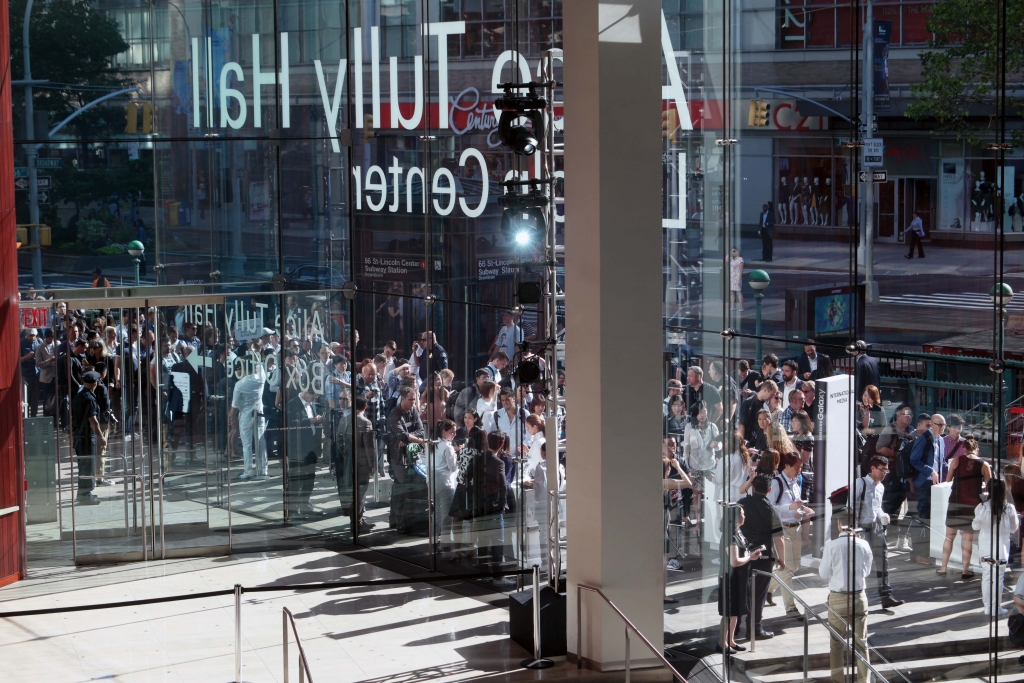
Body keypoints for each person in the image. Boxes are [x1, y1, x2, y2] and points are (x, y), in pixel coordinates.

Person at [819, 526, 873, 683]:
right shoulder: (864, 544)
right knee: (861, 645)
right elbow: (867, 572)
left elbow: (823, 573)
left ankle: (838, 680)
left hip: (838, 597)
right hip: (859, 596)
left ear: (839, 525)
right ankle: (864, 681)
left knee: (836, 645)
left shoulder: (831, 545)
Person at [738, 474, 786, 640]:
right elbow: (779, 538)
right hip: (762, 556)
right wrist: (782, 559)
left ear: (752, 487)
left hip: (740, 554)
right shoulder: (770, 509)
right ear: (769, 490)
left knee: (740, 591)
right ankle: (755, 628)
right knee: (758, 593)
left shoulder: (741, 504)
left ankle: (734, 627)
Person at [853, 456, 905, 608]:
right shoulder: (860, 483)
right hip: (861, 529)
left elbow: (877, 507)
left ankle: (886, 595)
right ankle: (856, 596)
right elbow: (851, 506)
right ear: (873, 468)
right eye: (882, 470)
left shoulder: (880, 487)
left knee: (883, 560)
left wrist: (883, 515)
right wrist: (855, 528)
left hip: (875, 527)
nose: (884, 474)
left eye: (886, 471)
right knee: (860, 563)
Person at [768, 451, 815, 618]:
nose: (799, 470)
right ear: (786, 466)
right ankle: (790, 608)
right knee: (787, 569)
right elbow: (770, 507)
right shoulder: (776, 483)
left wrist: (804, 510)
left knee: (793, 567)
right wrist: (791, 508)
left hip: (796, 527)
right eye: (797, 467)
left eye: (801, 467)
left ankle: (767, 589)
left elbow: (796, 504)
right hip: (782, 530)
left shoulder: (795, 482)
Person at [939, 433, 991, 578]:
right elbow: (990, 486)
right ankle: (965, 570)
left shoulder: (957, 460)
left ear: (964, 449)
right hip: (972, 504)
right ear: (977, 449)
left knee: (949, 536)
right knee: (967, 538)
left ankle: (943, 568)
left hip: (955, 501)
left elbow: (948, 479)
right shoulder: (984, 464)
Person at [718, 505, 762, 654]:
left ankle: (730, 640)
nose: (744, 516)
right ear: (736, 518)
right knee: (729, 612)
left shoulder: (737, 532)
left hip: (739, 578)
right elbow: (734, 561)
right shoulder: (730, 536)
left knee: (735, 611)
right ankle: (722, 643)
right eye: (742, 514)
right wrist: (750, 557)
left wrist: (751, 554)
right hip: (731, 579)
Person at [974, 479, 1018, 616]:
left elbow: (975, 526)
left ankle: (988, 607)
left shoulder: (982, 507)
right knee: (999, 577)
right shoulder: (1009, 508)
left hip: (985, 547)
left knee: (987, 576)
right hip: (1002, 549)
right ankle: (996, 607)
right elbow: (1014, 528)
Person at [286, 387, 324, 519]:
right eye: (314, 396)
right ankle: (293, 510)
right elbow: (291, 425)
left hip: (311, 448)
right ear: (307, 392)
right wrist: (312, 420)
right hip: (298, 448)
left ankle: (305, 505)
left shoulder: (311, 404)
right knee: (296, 480)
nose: (315, 399)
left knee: (309, 479)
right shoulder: (292, 404)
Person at [909, 412, 942, 564]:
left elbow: (941, 462)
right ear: (932, 425)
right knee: (922, 519)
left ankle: (928, 552)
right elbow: (914, 459)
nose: (942, 428)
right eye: (940, 425)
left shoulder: (940, 440)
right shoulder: (924, 439)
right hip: (924, 484)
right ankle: (917, 553)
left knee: (931, 519)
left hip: (936, 485)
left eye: (944, 425)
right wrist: (930, 471)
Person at [71, 371, 107, 505]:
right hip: (86, 437)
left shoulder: (78, 395)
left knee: (83, 465)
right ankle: (84, 495)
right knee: (88, 466)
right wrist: (101, 436)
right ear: (95, 384)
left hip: (79, 435)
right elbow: (93, 421)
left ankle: (84, 492)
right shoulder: (89, 398)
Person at [230, 361, 267, 481]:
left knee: (247, 444)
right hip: (259, 413)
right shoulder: (260, 378)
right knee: (261, 442)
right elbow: (260, 365)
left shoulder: (240, 384)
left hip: (246, 415)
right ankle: (263, 470)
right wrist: (254, 355)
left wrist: (231, 418)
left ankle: (248, 471)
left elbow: (235, 405)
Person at [351, 396, 376, 532]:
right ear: (365, 407)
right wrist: (372, 464)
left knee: (352, 492)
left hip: (349, 462)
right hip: (362, 463)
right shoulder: (366, 422)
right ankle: (358, 522)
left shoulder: (345, 419)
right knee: (361, 493)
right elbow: (368, 447)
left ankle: (356, 520)